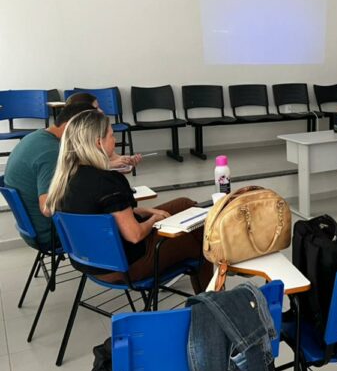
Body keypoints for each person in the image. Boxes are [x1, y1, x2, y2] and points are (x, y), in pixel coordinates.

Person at [44, 109, 213, 291]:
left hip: (90, 261)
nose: (115, 140)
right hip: (125, 265)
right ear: (98, 142)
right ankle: (213, 302)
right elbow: (135, 235)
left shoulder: (65, 178)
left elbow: (101, 215)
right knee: (201, 244)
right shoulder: (106, 181)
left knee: (183, 204)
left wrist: (146, 211)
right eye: (111, 135)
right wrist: (154, 219)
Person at [4, 101, 95, 248]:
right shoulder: (52, 153)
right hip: (50, 234)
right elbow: (48, 207)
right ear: (69, 127)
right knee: (121, 224)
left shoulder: (36, 137)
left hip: (31, 229)